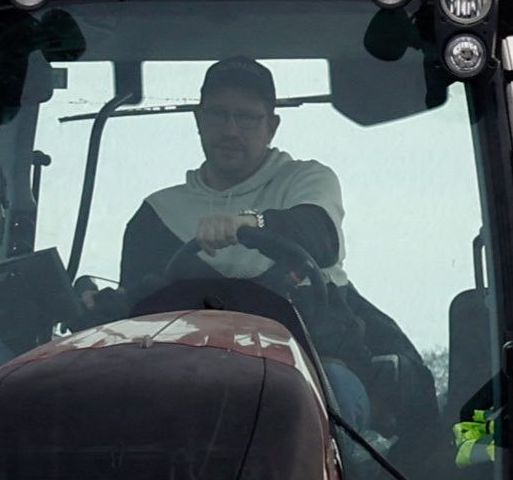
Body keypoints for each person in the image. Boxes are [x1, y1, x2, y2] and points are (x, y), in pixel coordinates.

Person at [121, 58, 347, 303]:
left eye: (246, 118)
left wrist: (250, 223)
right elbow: (136, 312)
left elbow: (321, 237)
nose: (230, 131)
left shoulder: (305, 181)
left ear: (272, 127)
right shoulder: (158, 214)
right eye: (218, 114)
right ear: (198, 119)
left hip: (303, 328)